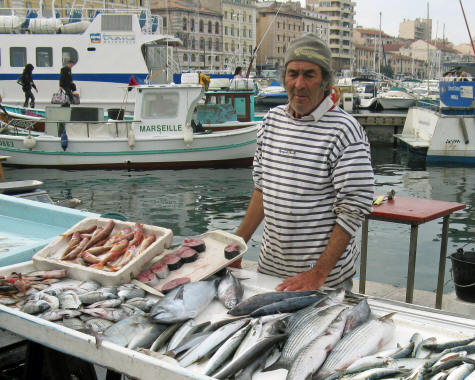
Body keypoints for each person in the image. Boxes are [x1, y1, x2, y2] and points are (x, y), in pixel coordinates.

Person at [234, 33, 375, 292]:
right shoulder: (271, 121)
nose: (299, 84)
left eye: (309, 75)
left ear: (324, 80)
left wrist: (318, 274)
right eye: (292, 73)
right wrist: (237, 246)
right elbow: (262, 188)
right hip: (270, 275)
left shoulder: (345, 131)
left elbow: (355, 207)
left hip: (324, 283)